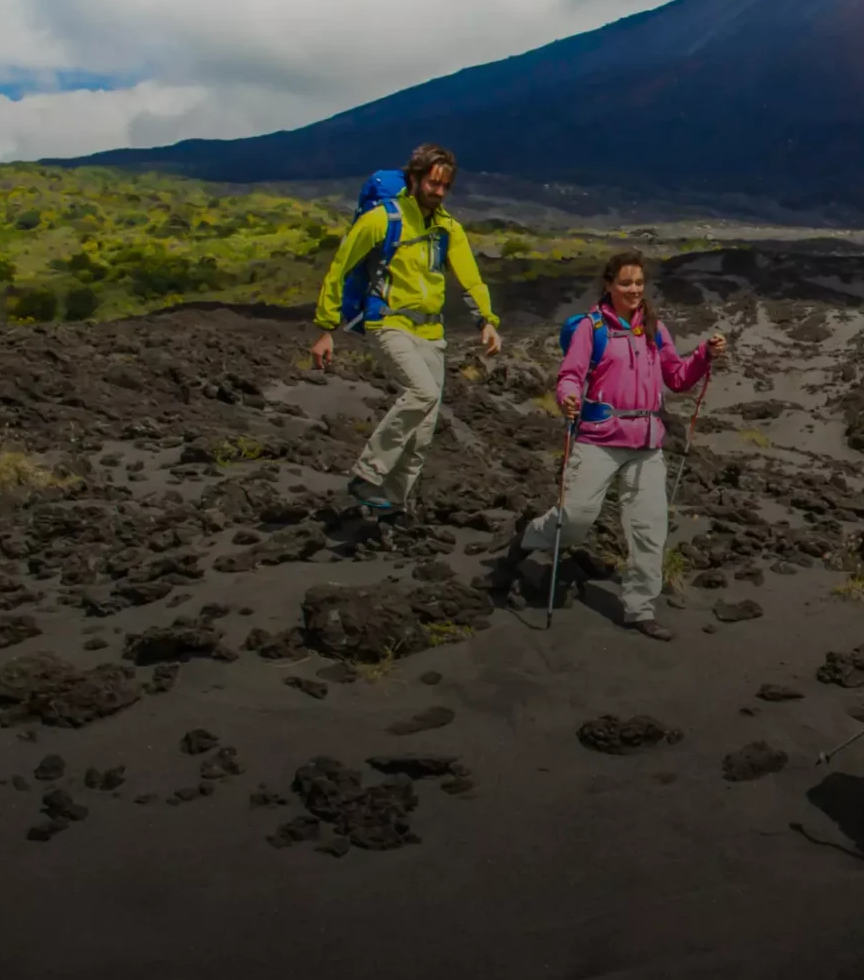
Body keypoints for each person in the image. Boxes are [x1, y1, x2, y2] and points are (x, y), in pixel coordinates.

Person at [507, 252, 725, 641]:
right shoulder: (591, 328)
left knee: (649, 528)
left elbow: (676, 378)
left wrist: (704, 356)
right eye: (626, 283)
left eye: (639, 283)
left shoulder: (656, 330)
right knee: (575, 519)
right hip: (599, 439)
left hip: (647, 444)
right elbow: (570, 375)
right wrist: (568, 398)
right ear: (609, 285)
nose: (634, 290)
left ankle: (640, 610)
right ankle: (528, 539)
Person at [310, 144, 501, 518]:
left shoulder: (448, 228)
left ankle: (392, 507)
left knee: (423, 430)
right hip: (389, 323)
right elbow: (340, 267)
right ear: (413, 178)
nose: (439, 192)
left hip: (432, 333)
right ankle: (368, 473)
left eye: (445, 186)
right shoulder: (383, 219)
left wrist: (487, 321)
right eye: (432, 183)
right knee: (422, 392)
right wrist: (326, 328)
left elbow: (470, 279)